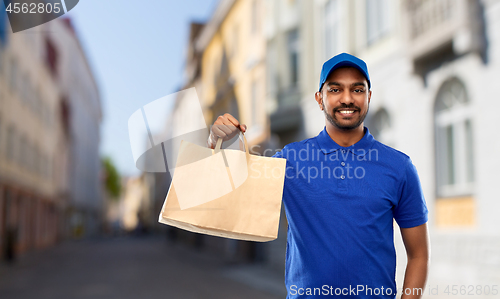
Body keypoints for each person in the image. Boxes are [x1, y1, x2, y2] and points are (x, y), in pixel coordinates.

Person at [207, 53, 429, 299]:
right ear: (319, 99)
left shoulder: (399, 167)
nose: (347, 98)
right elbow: (232, 194)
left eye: (357, 89)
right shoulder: (290, 159)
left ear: (368, 97)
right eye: (335, 89)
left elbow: (418, 255)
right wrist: (217, 143)